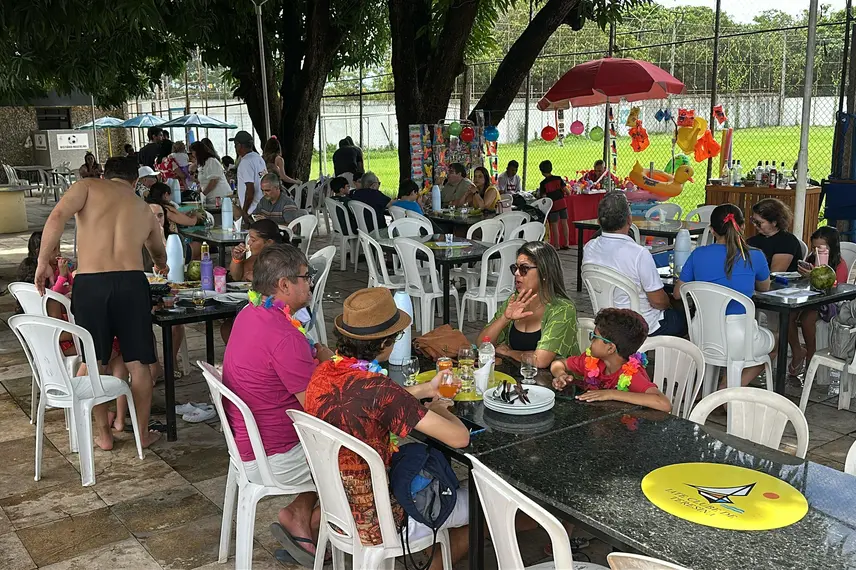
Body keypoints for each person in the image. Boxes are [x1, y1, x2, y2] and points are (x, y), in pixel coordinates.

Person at [305, 288, 470, 567]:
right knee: (483, 508)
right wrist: (440, 407)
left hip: (339, 506)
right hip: (381, 518)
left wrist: (426, 388)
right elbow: (460, 438)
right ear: (385, 344)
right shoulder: (379, 390)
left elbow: (376, 396)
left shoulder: (326, 372)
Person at [35, 156, 168, 449]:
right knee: (139, 364)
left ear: (106, 176)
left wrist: (43, 261)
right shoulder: (141, 207)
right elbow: (158, 249)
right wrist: (162, 264)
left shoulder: (86, 187)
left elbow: (57, 216)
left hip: (92, 283)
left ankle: (104, 435)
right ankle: (142, 434)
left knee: (94, 363)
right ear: (134, 181)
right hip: (132, 283)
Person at [222, 244, 332, 563]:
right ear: (284, 285)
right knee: (364, 448)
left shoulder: (252, 312)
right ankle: (312, 523)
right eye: (305, 276)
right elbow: (318, 408)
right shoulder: (286, 337)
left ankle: (301, 514)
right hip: (272, 454)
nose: (310, 282)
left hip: (248, 440)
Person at [673, 204, 773, 386]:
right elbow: (765, 287)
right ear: (742, 227)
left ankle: (714, 388)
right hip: (739, 336)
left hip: (702, 333)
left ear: (711, 230)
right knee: (776, 343)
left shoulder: (698, 254)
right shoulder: (754, 256)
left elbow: (678, 294)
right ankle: (728, 387)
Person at [583, 192, 685, 337]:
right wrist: (671, 304)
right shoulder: (639, 254)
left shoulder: (589, 248)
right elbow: (658, 301)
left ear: (599, 221)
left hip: (605, 321)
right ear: (629, 220)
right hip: (641, 325)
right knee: (685, 317)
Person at [480, 241, 579, 367]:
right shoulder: (515, 300)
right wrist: (505, 318)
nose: (516, 273)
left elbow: (540, 361)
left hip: (558, 382)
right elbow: (482, 344)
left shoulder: (563, 309)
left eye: (524, 269)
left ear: (545, 273)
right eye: (515, 268)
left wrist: (509, 352)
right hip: (521, 377)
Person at [551, 308, 671, 412]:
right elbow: (558, 363)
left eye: (594, 337)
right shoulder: (592, 361)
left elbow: (664, 404)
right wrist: (561, 374)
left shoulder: (632, 375)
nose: (591, 340)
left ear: (610, 348)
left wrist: (611, 394)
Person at [789, 226, 850, 377]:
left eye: (821, 248)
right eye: (814, 247)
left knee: (807, 319)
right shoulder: (811, 259)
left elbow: (835, 288)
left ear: (831, 248)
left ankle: (811, 354)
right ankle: (797, 350)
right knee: (787, 316)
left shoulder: (839, 264)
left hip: (828, 304)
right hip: (808, 299)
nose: (816, 251)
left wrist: (815, 275)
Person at [747, 198, 803, 272]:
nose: (754, 224)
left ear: (774, 222)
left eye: (759, 222)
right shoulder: (753, 240)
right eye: (753, 220)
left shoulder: (787, 241)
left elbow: (775, 273)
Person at [231, 130, 267, 223]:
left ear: (239, 145)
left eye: (235, 145)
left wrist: (245, 212)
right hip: (263, 206)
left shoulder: (246, 162)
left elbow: (250, 190)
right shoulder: (258, 158)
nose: (235, 147)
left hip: (252, 210)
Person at [538, 160, 569, 250]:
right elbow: (567, 191)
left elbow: (544, 197)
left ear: (542, 172)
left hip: (553, 205)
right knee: (564, 223)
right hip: (562, 203)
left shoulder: (543, 183)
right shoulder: (558, 179)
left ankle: (557, 245)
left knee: (554, 225)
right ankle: (566, 243)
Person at [190, 141, 231, 206]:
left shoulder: (211, 161)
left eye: (192, 152)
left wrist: (203, 194)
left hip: (220, 198)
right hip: (211, 199)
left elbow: (213, 181)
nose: (192, 154)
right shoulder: (202, 164)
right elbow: (204, 182)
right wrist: (197, 192)